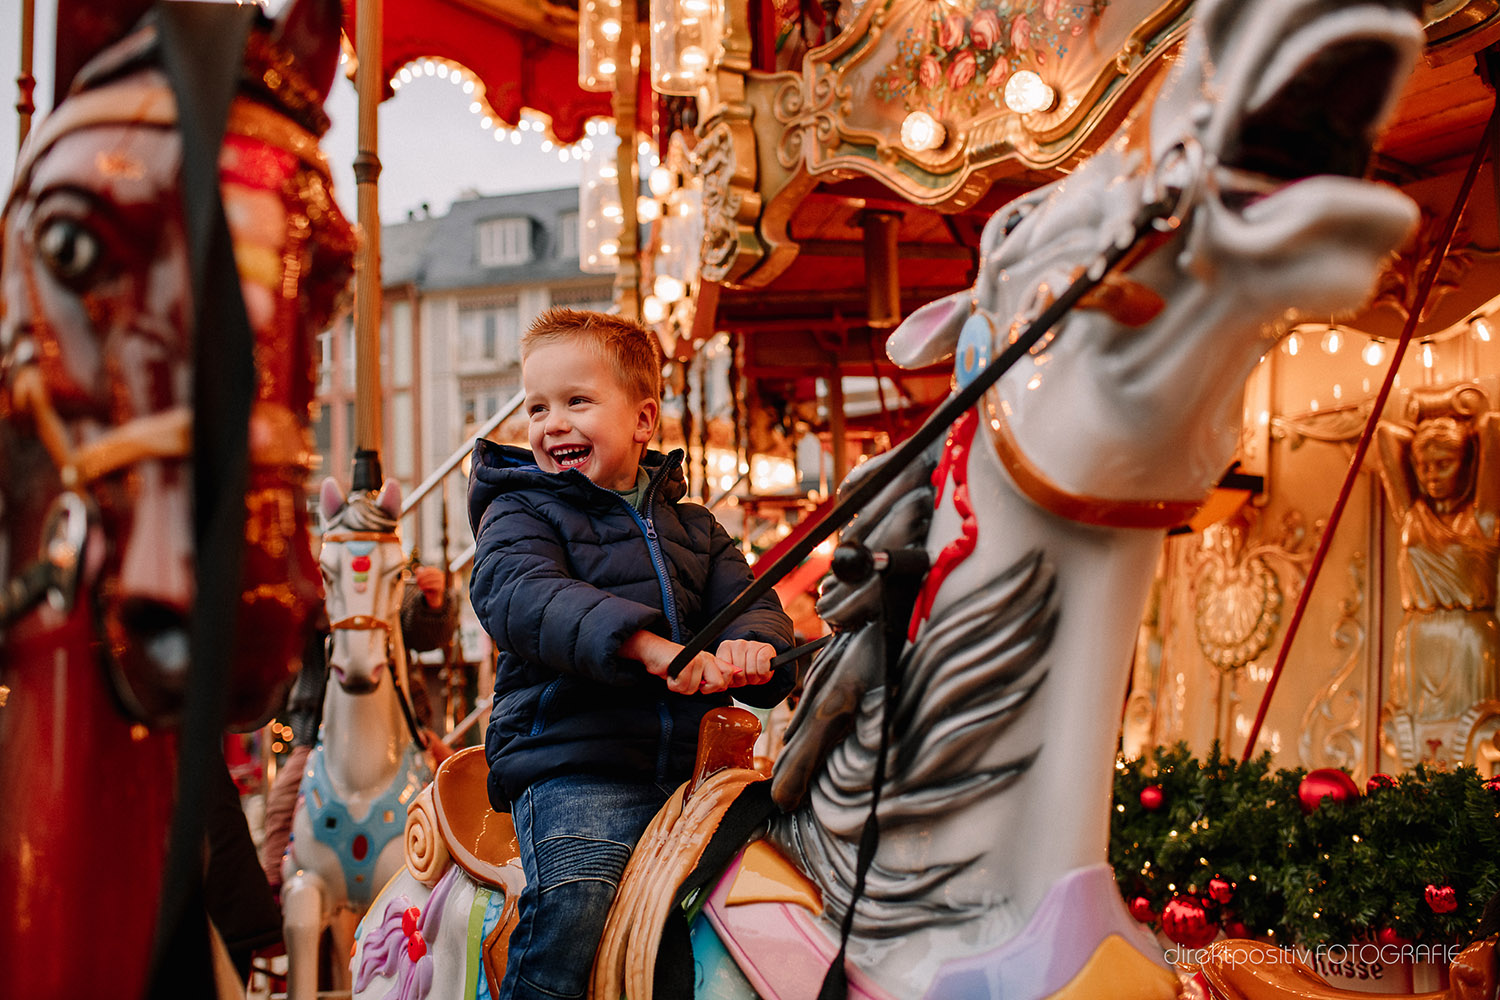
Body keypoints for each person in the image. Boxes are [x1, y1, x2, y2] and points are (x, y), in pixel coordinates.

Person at [468, 308, 795, 1000]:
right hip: (576, 765)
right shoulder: (521, 513)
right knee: (577, 901)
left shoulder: (696, 529)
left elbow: (753, 605)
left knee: (788, 884)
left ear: (643, 420)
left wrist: (754, 647)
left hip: (698, 774)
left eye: (576, 401)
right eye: (537, 406)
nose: (552, 423)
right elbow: (523, 596)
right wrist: (650, 648)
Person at [255, 455, 460, 892]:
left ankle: (449, 894)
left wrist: (434, 604)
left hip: (402, 726)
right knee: (281, 810)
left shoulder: (391, 594)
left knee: (452, 782)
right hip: (318, 731)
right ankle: (274, 901)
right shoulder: (319, 594)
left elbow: (424, 633)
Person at [1376, 382, 1500, 765]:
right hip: (1416, 638)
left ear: (1467, 462)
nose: (1431, 476)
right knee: (1415, 752)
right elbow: (1385, 435)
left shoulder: (1482, 518)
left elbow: (1493, 427)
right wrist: (1420, 412)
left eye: (1443, 463)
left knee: (1474, 745)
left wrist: (1456, 409)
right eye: (1423, 466)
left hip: (1468, 638)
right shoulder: (1412, 517)